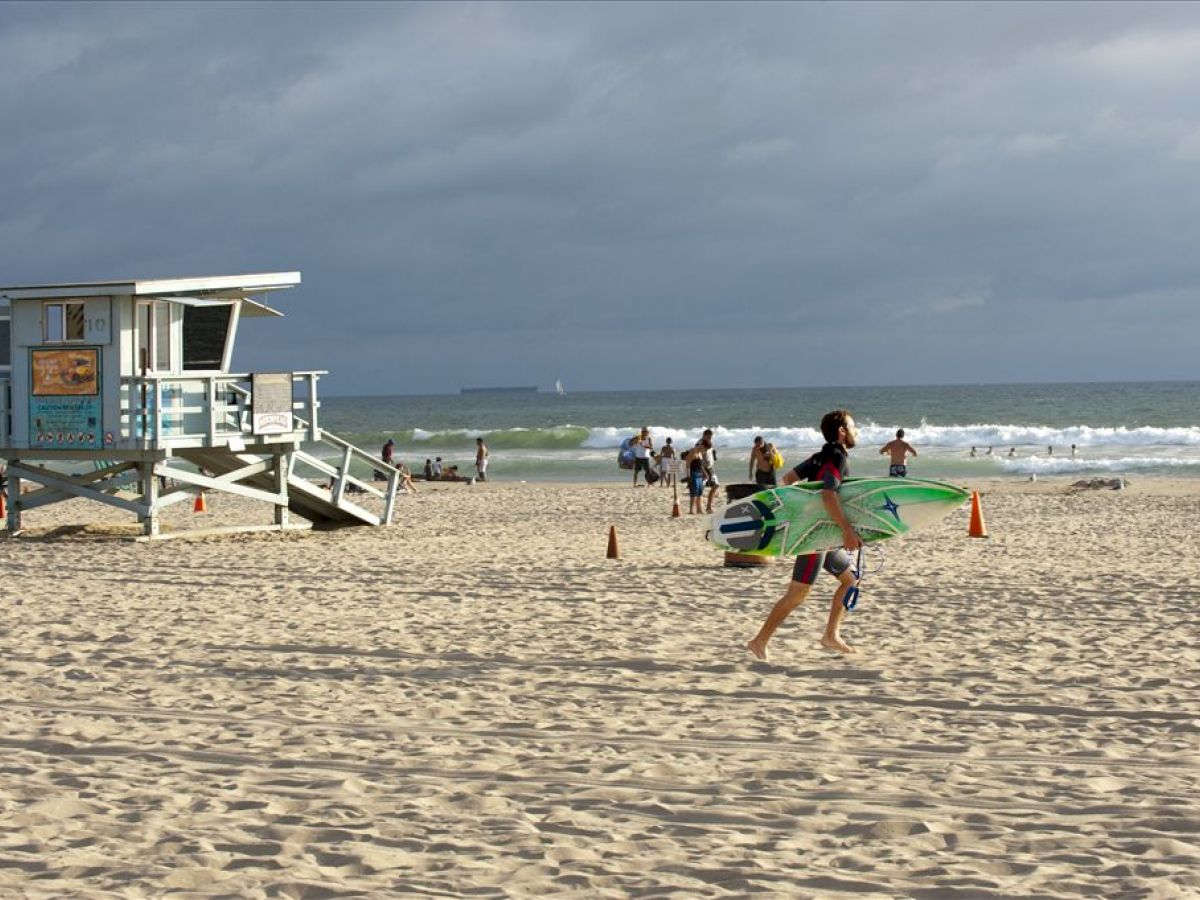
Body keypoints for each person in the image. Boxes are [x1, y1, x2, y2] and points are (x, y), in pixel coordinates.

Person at [747, 409, 863, 659]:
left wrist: (801, 512)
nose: (856, 431)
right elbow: (828, 494)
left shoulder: (821, 456)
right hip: (816, 538)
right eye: (853, 427)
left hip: (824, 536)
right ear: (842, 431)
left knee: (851, 579)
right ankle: (759, 641)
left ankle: (831, 636)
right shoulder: (837, 458)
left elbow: (788, 479)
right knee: (798, 593)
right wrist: (847, 530)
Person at [699, 428, 720, 512]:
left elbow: (710, 452)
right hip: (703, 468)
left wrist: (714, 456)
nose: (710, 438)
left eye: (711, 437)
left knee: (716, 485)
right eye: (709, 436)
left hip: (710, 468)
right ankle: (701, 507)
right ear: (704, 435)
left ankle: (708, 507)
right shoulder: (700, 444)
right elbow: (697, 457)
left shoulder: (709, 442)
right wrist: (702, 470)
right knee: (701, 488)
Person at [683, 440, 707, 514]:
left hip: (699, 474)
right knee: (693, 493)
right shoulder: (693, 451)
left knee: (700, 492)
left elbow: (700, 465)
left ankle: (699, 509)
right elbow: (687, 464)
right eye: (704, 448)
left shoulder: (700, 453)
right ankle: (691, 510)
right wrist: (688, 476)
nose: (705, 450)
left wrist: (705, 473)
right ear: (700, 445)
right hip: (693, 474)